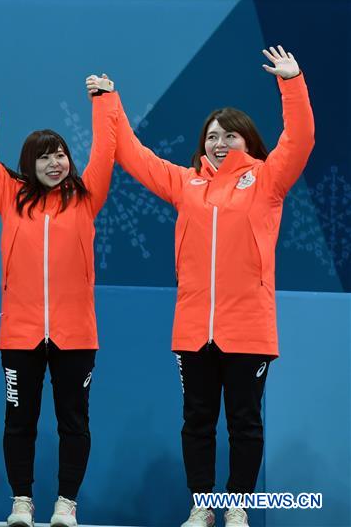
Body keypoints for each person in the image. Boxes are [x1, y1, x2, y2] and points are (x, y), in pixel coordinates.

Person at [113, 46, 314, 527]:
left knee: (245, 424)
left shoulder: (267, 181)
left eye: (230, 136)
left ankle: (239, 506)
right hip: (193, 331)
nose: (220, 144)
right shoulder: (187, 185)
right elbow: (133, 156)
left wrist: (293, 81)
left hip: (247, 328)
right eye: (212, 137)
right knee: (197, 423)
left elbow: (300, 139)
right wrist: (108, 102)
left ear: (248, 141)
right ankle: (202, 506)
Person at [0, 74, 120, 527]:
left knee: (74, 422)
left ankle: (66, 502)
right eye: (45, 156)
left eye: (61, 154)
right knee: (19, 422)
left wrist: (104, 100)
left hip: (76, 336)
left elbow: (107, 150)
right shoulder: (9, 197)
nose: (55, 162)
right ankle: (22, 501)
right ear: (27, 165)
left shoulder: (86, 200)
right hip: (20, 334)